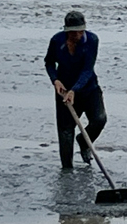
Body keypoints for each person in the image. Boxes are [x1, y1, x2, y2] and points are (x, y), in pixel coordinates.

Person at [44, 10, 107, 171]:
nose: (77, 35)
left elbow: (87, 69)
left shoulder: (92, 40)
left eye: (80, 31)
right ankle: (66, 172)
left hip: (89, 89)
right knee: (65, 132)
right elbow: (49, 62)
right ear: (67, 31)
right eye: (73, 32)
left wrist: (75, 90)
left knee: (99, 119)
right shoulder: (57, 40)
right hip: (63, 92)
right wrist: (55, 80)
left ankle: (84, 142)